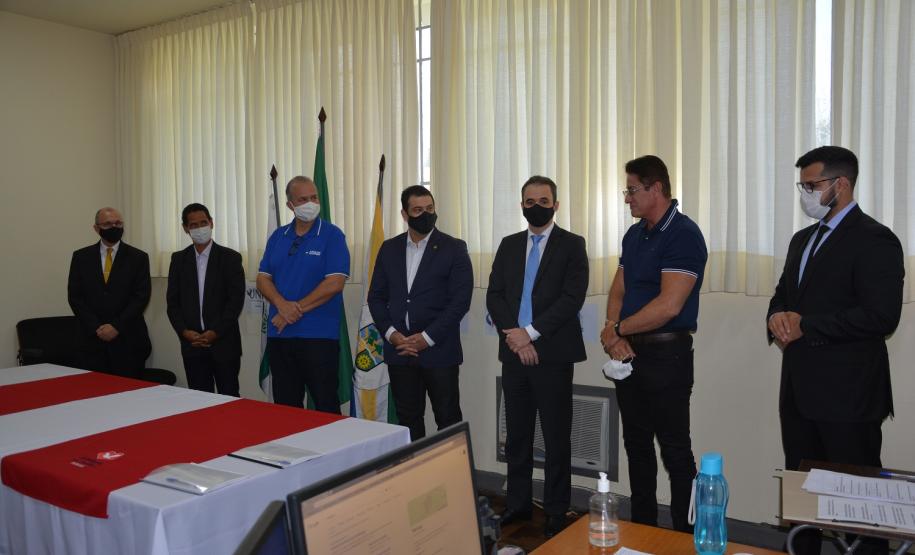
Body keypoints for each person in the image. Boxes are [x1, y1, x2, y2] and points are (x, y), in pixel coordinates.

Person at [767, 146, 903, 555]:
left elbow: (881, 316)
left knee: (859, 507)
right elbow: (783, 295)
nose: (805, 194)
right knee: (803, 502)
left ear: (841, 184)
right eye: (802, 186)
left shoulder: (876, 239)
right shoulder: (802, 239)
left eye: (811, 185)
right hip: (799, 393)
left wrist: (806, 324)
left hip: (850, 397)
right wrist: (776, 317)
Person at [600, 155, 707, 533]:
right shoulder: (635, 234)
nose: (627, 198)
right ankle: (642, 530)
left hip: (666, 355)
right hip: (630, 353)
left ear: (656, 188)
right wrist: (613, 330)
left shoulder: (684, 234)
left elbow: (668, 306)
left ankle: (683, 537)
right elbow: (619, 288)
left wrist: (619, 329)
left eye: (632, 190)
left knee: (675, 452)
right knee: (637, 446)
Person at [486, 175, 588, 539]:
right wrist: (517, 338)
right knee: (517, 436)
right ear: (522, 206)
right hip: (514, 353)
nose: (536, 207)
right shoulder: (509, 244)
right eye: (529, 202)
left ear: (556, 205)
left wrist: (529, 333)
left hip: (554, 355)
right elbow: (495, 295)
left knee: (556, 438)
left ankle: (557, 510)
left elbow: (572, 298)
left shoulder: (572, 245)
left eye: (543, 201)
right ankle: (518, 504)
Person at [367, 185, 473, 441]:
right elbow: (376, 297)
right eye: (417, 210)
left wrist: (426, 338)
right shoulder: (389, 248)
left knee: (448, 420)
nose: (425, 214)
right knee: (408, 420)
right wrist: (392, 335)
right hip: (400, 350)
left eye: (429, 209)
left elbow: (460, 301)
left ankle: (450, 468)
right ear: (405, 214)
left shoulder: (454, 248)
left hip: (439, 350)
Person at [256, 176, 350, 413]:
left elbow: (334, 283)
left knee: (326, 406)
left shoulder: (332, 235)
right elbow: (262, 279)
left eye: (314, 197)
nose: (311, 203)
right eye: (303, 199)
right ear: (290, 205)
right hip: (281, 336)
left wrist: (292, 310)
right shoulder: (278, 236)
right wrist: (282, 305)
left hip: (319, 337)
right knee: (286, 409)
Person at [166, 203, 245, 396]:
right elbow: (173, 303)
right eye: (193, 225)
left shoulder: (230, 258)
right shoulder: (178, 260)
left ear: (211, 223)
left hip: (224, 344)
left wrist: (215, 332)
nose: (200, 228)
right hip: (192, 345)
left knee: (228, 397)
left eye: (203, 223)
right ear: (186, 228)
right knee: (199, 399)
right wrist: (184, 332)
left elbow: (235, 302)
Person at [67, 207, 152, 378]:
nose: (114, 227)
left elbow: (141, 297)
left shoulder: (139, 257)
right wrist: (96, 327)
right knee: (93, 390)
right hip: (91, 342)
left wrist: (116, 326)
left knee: (129, 391)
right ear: (96, 228)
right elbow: (75, 297)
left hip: (128, 341)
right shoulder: (81, 257)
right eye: (107, 224)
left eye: (118, 223)